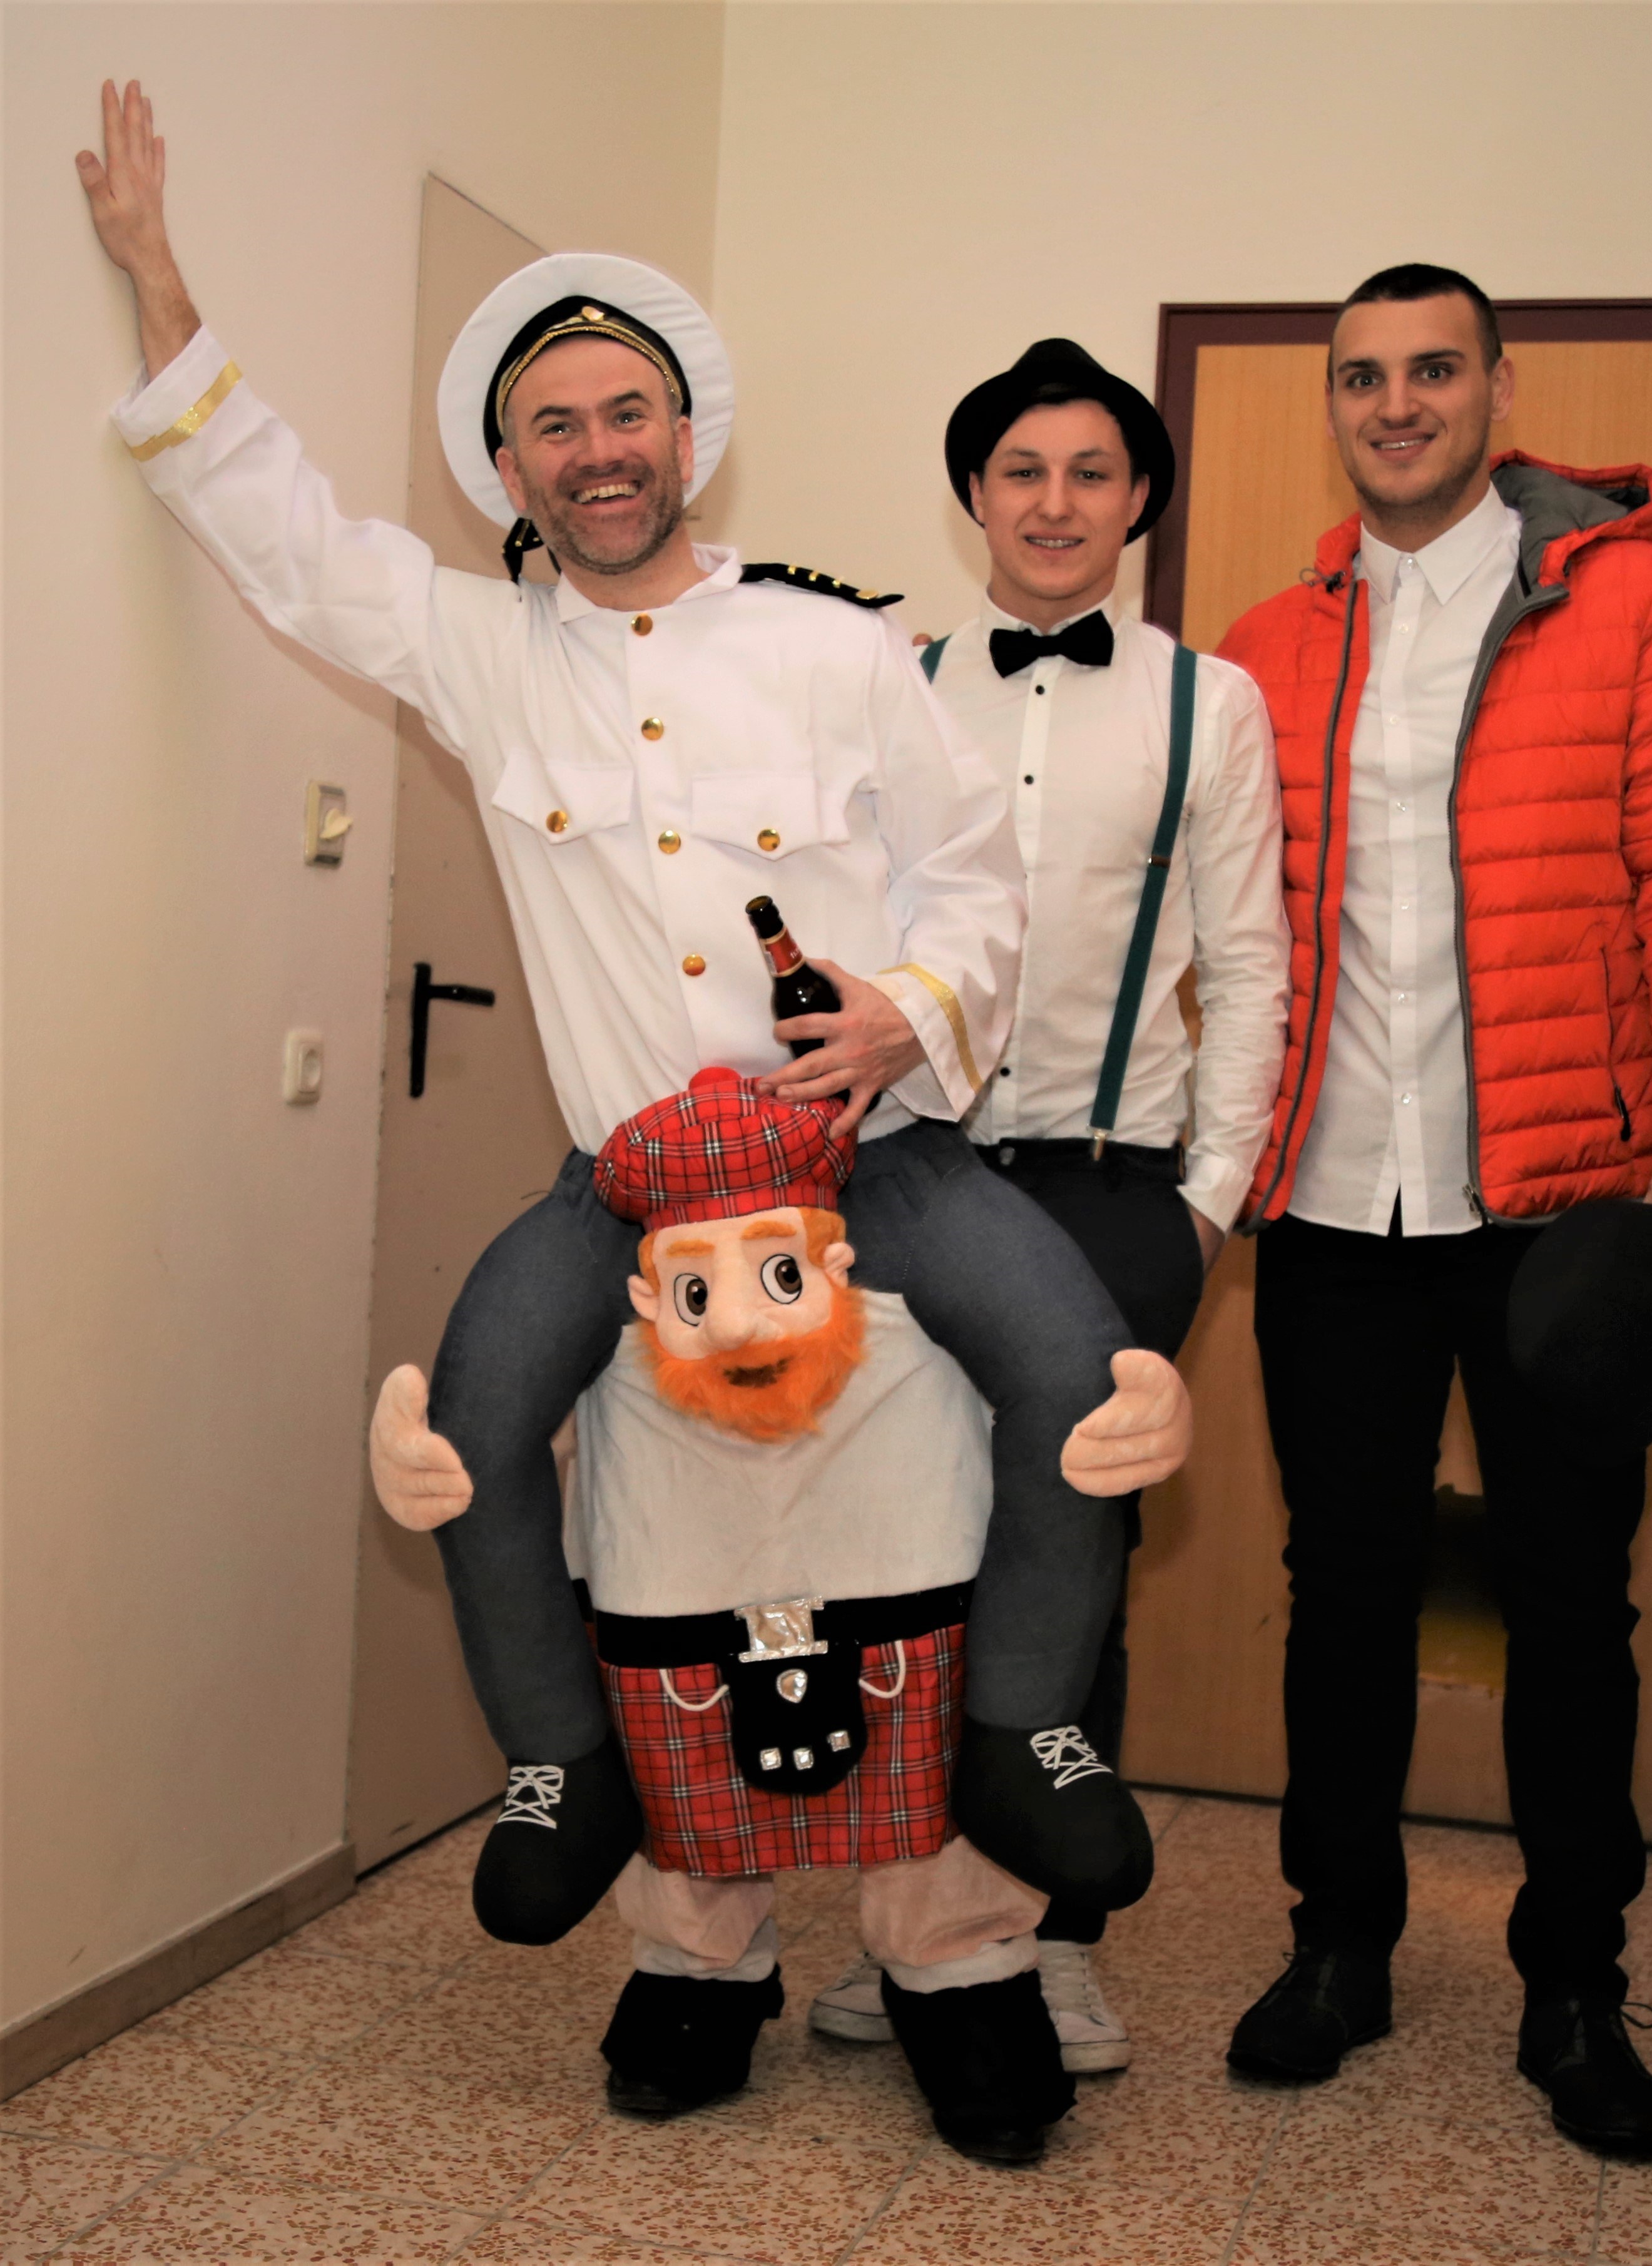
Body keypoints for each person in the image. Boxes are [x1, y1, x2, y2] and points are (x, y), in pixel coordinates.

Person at [80, 79, 1166, 1951]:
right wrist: (158, 282)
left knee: (1076, 1373)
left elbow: (978, 881)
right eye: (555, 426)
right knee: (477, 1415)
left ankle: (1020, 1730)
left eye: (626, 413)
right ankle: (560, 1763)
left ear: (685, 440)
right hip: (631, 1181)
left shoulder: (834, 647)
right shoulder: (481, 653)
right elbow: (290, 539)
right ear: (511, 471)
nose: (598, 450)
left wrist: (905, 1013)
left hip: (868, 1155)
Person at [1216, 264, 1652, 2158]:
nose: (1395, 403)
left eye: (1432, 369)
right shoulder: (1267, 642)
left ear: (1498, 389)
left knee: (1565, 1604)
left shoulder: (1637, 601)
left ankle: (1574, 1981)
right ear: (1333, 404)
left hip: (1562, 1204)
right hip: (1329, 1205)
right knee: (1343, 1592)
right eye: (1361, 375)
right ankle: (1338, 1945)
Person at [410, 1069, 1178, 2164]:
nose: (739, 1322)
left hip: (891, 1147)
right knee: (657, 1634)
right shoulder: (615, 1259)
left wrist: (1122, 1399)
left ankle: (962, 1958)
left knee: (940, 1634)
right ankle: (692, 1957)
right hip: (632, 1204)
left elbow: (974, 957)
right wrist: (439, 1458)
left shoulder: (918, 1223)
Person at [808, 340, 1290, 2074]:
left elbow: (1251, 968)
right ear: (974, 496)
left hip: (1108, 1189)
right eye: (1022, 469)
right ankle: (921, 1929)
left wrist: (1205, 1205)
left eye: (1091, 471)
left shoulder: (1209, 702)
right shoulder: (891, 679)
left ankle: (1055, 1936)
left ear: (1137, 498)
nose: (1055, 502)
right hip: (912, 1172)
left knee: (1069, 1567)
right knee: (898, 1557)